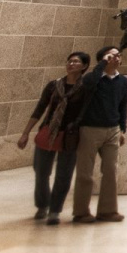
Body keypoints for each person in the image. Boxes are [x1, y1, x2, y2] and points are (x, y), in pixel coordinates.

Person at [17, 51, 89, 225]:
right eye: (69, 61)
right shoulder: (53, 85)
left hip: (70, 136)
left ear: (84, 67)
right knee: (41, 171)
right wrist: (26, 132)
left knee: (63, 175)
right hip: (48, 132)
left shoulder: (86, 88)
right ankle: (43, 205)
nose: (71, 64)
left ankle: (55, 210)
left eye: (76, 62)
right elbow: (40, 109)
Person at [70, 46, 127, 223]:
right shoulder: (92, 78)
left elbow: (123, 105)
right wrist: (103, 63)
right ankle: (81, 212)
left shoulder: (123, 81)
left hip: (112, 130)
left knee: (111, 171)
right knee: (85, 173)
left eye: (118, 55)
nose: (116, 58)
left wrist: (122, 129)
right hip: (90, 129)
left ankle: (108, 211)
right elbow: (89, 83)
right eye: (112, 56)